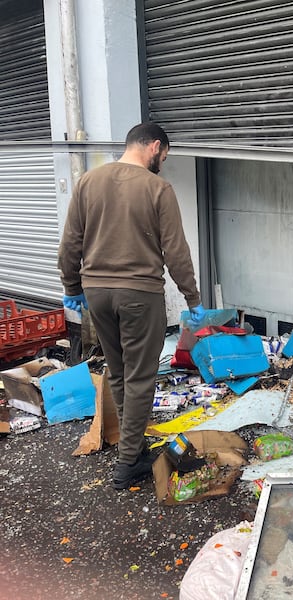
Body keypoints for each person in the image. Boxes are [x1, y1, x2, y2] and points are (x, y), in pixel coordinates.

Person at [58, 122, 206, 490]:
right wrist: (193, 298)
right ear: (154, 147)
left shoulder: (88, 183)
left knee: (120, 371)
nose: (163, 164)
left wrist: (71, 285)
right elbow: (176, 251)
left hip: (96, 294)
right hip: (139, 294)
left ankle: (134, 445)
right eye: (165, 156)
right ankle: (128, 466)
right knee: (140, 378)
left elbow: (70, 243)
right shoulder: (157, 188)